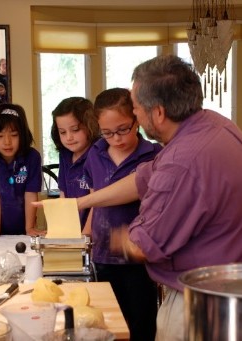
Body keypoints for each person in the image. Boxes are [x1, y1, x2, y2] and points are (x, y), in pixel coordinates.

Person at [74, 55, 242, 340]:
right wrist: (81, 203)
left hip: (200, 304)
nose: (136, 115)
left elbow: (142, 247)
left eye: (137, 109)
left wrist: (112, 237)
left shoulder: (180, 163)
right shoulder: (216, 125)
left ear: (159, 112)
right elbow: (143, 178)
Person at [85, 88, 162, 341]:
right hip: (102, 255)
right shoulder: (95, 154)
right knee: (107, 323)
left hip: (138, 259)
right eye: (107, 133)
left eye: (123, 129)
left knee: (141, 324)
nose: (116, 138)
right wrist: (85, 234)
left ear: (137, 120)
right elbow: (95, 198)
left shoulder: (153, 155)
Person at [0, 103, 42, 237]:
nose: (7, 142)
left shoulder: (32, 157)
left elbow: (30, 194)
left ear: (23, 134)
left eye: (14, 135)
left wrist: (29, 227)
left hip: (22, 227)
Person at [50, 97, 99, 229]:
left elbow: (97, 202)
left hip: (93, 233)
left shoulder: (97, 154)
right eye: (63, 132)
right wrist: (60, 229)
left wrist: (86, 236)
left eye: (75, 130)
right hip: (73, 231)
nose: (69, 137)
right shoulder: (64, 154)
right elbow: (63, 196)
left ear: (90, 125)